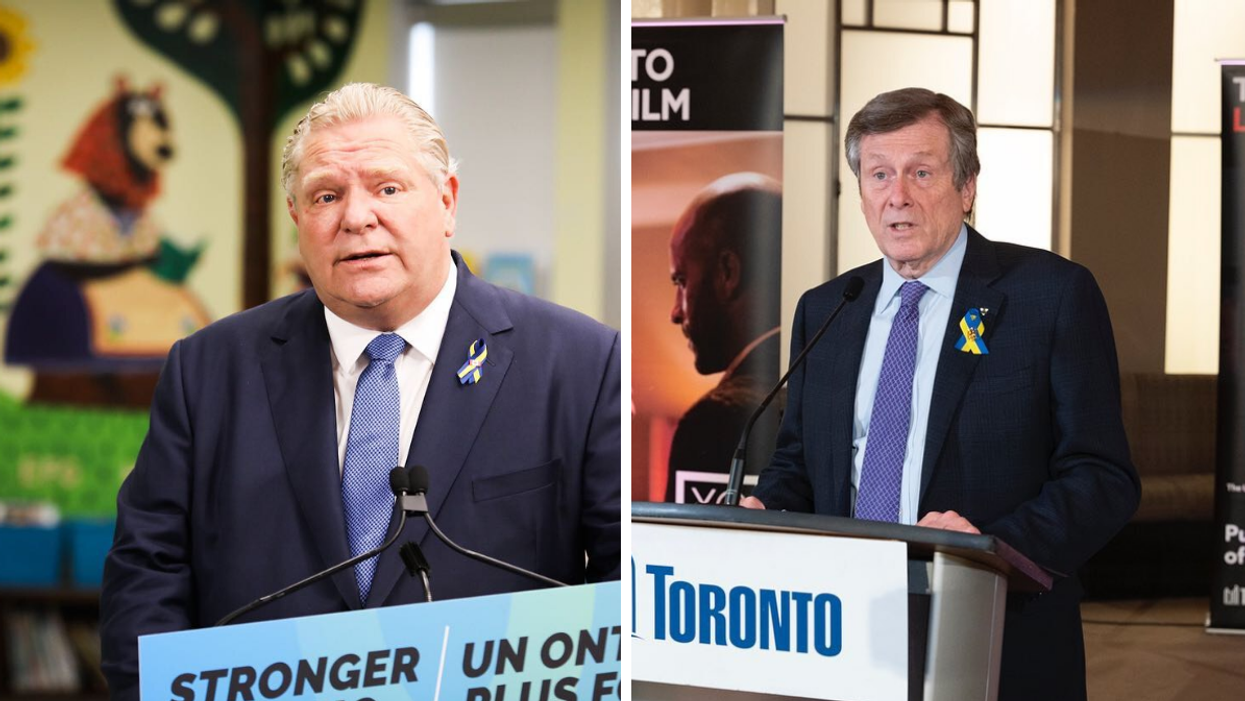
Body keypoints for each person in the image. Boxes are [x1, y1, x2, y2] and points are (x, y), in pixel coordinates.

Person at [99, 83, 621, 699]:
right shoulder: (207, 370)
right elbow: (146, 576)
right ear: (297, 218)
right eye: (326, 195)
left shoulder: (581, 364)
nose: (356, 217)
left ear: (447, 202)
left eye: (388, 188)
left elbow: (621, 591)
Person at [741, 88, 1139, 700]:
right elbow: (800, 462)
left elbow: (1102, 476)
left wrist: (989, 549)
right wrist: (768, 509)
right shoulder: (827, 309)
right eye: (878, 175)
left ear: (967, 187)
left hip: (994, 633)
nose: (897, 195)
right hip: (841, 633)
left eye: (921, 172)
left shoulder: (1051, 296)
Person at [664, 173, 782, 503]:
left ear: (727, 273)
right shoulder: (813, 386)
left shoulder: (718, 417)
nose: (675, 312)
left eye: (681, 281)